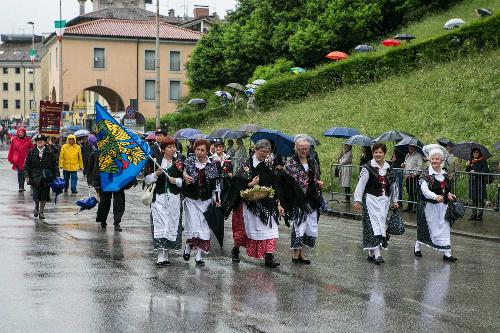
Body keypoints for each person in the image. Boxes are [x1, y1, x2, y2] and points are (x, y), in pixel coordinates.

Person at [224, 139, 284, 268]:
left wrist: (278, 204)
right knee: (242, 232)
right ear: (255, 150)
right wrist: (250, 184)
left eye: (268, 152)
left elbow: (274, 185)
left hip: (266, 203)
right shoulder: (245, 165)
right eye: (262, 151)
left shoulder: (268, 165)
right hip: (247, 204)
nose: (265, 154)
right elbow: (236, 183)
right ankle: (236, 249)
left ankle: (269, 256)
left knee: (271, 229)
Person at [353, 143, 399, 265]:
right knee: (374, 226)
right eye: (376, 152)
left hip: (384, 201)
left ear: (384, 153)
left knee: (381, 225)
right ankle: (378, 254)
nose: (378, 154)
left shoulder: (389, 168)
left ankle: (371, 253)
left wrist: (395, 200)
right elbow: (361, 185)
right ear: (373, 153)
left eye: (380, 152)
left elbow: (394, 186)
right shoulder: (368, 168)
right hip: (370, 200)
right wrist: (357, 200)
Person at [281, 138, 323, 264]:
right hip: (297, 199)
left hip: (311, 197)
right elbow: (286, 182)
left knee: (309, 225)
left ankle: (302, 253)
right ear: (296, 149)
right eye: (301, 149)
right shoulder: (290, 163)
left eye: (306, 149)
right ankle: (295, 254)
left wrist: (319, 183)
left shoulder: (313, 161)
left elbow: (316, 177)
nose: (304, 151)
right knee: (299, 225)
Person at [144, 136, 184, 267]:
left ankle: (166, 255)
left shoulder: (179, 163)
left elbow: (186, 182)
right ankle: (159, 257)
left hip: (173, 199)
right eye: (169, 147)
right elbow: (147, 180)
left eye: (174, 147)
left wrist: (176, 181)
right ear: (163, 149)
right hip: (159, 199)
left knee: (170, 225)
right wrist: (156, 174)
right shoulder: (156, 162)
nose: (173, 149)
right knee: (160, 225)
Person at [414, 148, 457, 262]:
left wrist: (449, 195)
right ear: (429, 160)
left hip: (443, 207)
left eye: (437, 159)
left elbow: (445, 189)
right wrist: (435, 196)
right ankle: (417, 246)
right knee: (428, 228)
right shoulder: (426, 174)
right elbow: (425, 190)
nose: (434, 161)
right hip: (430, 206)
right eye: (432, 159)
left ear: (441, 160)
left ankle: (447, 253)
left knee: (445, 228)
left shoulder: (444, 174)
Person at [182, 139, 220, 266]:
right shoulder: (189, 161)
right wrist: (183, 175)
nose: (199, 152)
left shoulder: (212, 164)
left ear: (207, 150)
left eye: (202, 150)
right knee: (193, 227)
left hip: (206, 200)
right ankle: (188, 247)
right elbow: (180, 172)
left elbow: (216, 184)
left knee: (203, 228)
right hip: (191, 199)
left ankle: (198, 256)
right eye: (197, 149)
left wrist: (217, 199)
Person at [24, 134, 58, 219]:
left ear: (45, 142)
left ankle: (41, 211)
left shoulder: (50, 152)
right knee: (36, 194)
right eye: (37, 141)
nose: (39, 142)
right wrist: (26, 175)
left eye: (41, 140)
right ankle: (36, 207)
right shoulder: (31, 152)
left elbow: (55, 165)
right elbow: (27, 165)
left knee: (44, 195)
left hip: (47, 177)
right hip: (35, 176)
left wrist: (56, 176)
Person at [466, 148, 489, 221]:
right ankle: (474, 214)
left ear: (479, 153)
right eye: (474, 152)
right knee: (474, 198)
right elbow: (467, 171)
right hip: (473, 182)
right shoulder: (471, 161)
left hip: (480, 182)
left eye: (476, 152)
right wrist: (467, 166)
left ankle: (480, 215)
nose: (475, 154)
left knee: (480, 198)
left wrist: (475, 171)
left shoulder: (483, 160)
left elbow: (485, 170)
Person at [7, 127, 33, 192]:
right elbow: (11, 149)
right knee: (20, 173)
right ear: (17, 133)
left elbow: (32, 149)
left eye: (22, 132)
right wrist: (10, 158)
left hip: (26, 159)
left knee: (27, 172)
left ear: (24, 133)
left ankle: (31, 184)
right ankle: (21, 186)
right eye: (19, 132)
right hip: (18, 159)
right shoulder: (14, 140)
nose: (20, 133)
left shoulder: (29, 140)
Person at [402, 145, 423, 212]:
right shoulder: (407, 155)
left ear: (415, 147)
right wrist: (403, 165)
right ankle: (409, 207)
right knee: (409, 192)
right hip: (408, 176)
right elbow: (405, 164)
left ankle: (416, 207)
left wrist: (415, 173)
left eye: (412, 146)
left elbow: (420, 165)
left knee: (415, 192)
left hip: (415, 177)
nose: (410, 148)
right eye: (409, 146)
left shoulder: (418, 155)